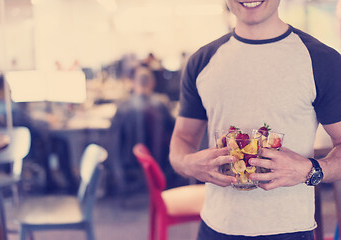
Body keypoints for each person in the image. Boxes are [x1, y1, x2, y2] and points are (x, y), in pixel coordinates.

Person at [169, 1, 341, 240]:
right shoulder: (201, 61)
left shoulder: (322, 60)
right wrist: (188, 164)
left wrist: (310, 170)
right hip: (215, 227)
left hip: (289, 231)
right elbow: (183, 138)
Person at [110, 66, 177, 196]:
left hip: (129, 158)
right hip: (159, 160)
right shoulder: (161, 103)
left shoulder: (122, 106)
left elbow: (115, 136)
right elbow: (174, 127)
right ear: (152, 83)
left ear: (133, 83)